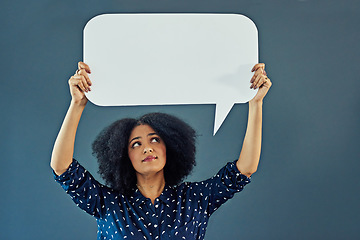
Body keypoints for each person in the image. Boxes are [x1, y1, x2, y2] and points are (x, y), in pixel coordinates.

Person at [51, 62, 272, 240]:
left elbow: (244, 170)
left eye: (154, 139)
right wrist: (77, 104)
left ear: (170, 148)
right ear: (123, 156)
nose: (147, 147)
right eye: (135, 144)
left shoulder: (195, 199)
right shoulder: (108, 203)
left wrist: (255, 103)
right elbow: (62, 168)